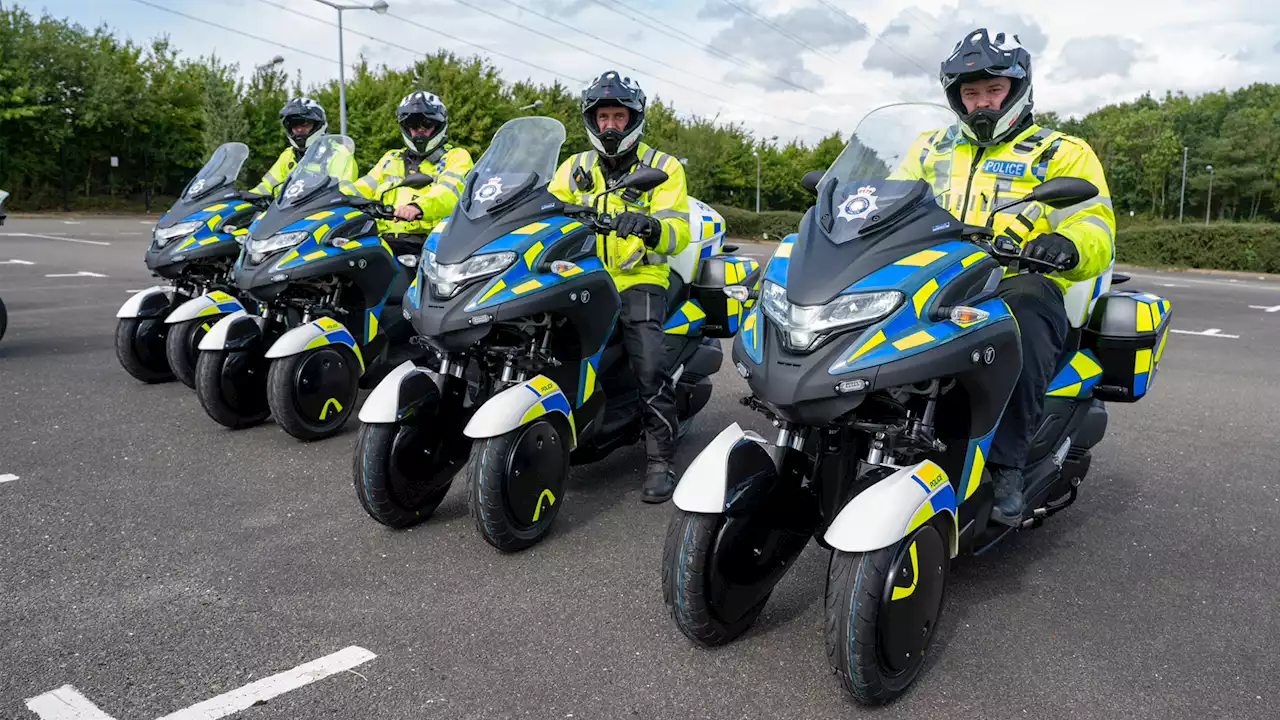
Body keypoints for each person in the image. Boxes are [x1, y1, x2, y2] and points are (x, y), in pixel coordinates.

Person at [894, 28, 1115, 526]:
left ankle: (1007, 463)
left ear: (1017, 89)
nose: (981, 104)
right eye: (970, 94)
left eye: (992, 91)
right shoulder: (928, 148)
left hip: (1020, 276)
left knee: (1023, 316)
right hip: (937, 272)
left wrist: (1067, 244)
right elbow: (890, 202)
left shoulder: (1061, 152)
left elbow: (1094, 222)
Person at [547, 70, 691, 503]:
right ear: (591, 120)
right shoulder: (573, 167)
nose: (611, 124)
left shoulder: (663, 167)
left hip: (639, 279)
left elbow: (677, 229)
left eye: (619, 116)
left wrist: (648, 225)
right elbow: (547, 209)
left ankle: (660, 460)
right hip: (582, 275)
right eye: (603, 116)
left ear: (634, 120)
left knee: (649, 365)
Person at [352, 91, 474, 256]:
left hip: (430, 244)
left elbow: (451, 191)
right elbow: (362, 186)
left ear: (440, 125)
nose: (419, 131)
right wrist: (334, 198)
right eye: (413, 126)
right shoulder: (391, 158)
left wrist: (418, 207)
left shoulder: (455, 156)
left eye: (426, 125)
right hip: (382, 242)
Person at [249, 97, 329, 198]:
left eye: (304, 123)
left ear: (318, 124)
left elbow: (344, 190)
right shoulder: (288, 156)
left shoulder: (337, 153)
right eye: (294, 125)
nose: (299, 129)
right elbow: (266, 187)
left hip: (324, 211)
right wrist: (248, 197)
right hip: (289, 212)